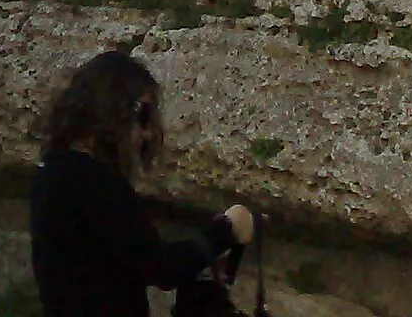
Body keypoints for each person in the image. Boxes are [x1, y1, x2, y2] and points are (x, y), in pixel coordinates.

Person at [28, 51, 253, 317]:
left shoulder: (56, 169)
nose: (147, 133)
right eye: (143, 115)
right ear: (115, 109)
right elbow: (161, 267)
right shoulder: (91, 180)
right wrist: (227, 230)